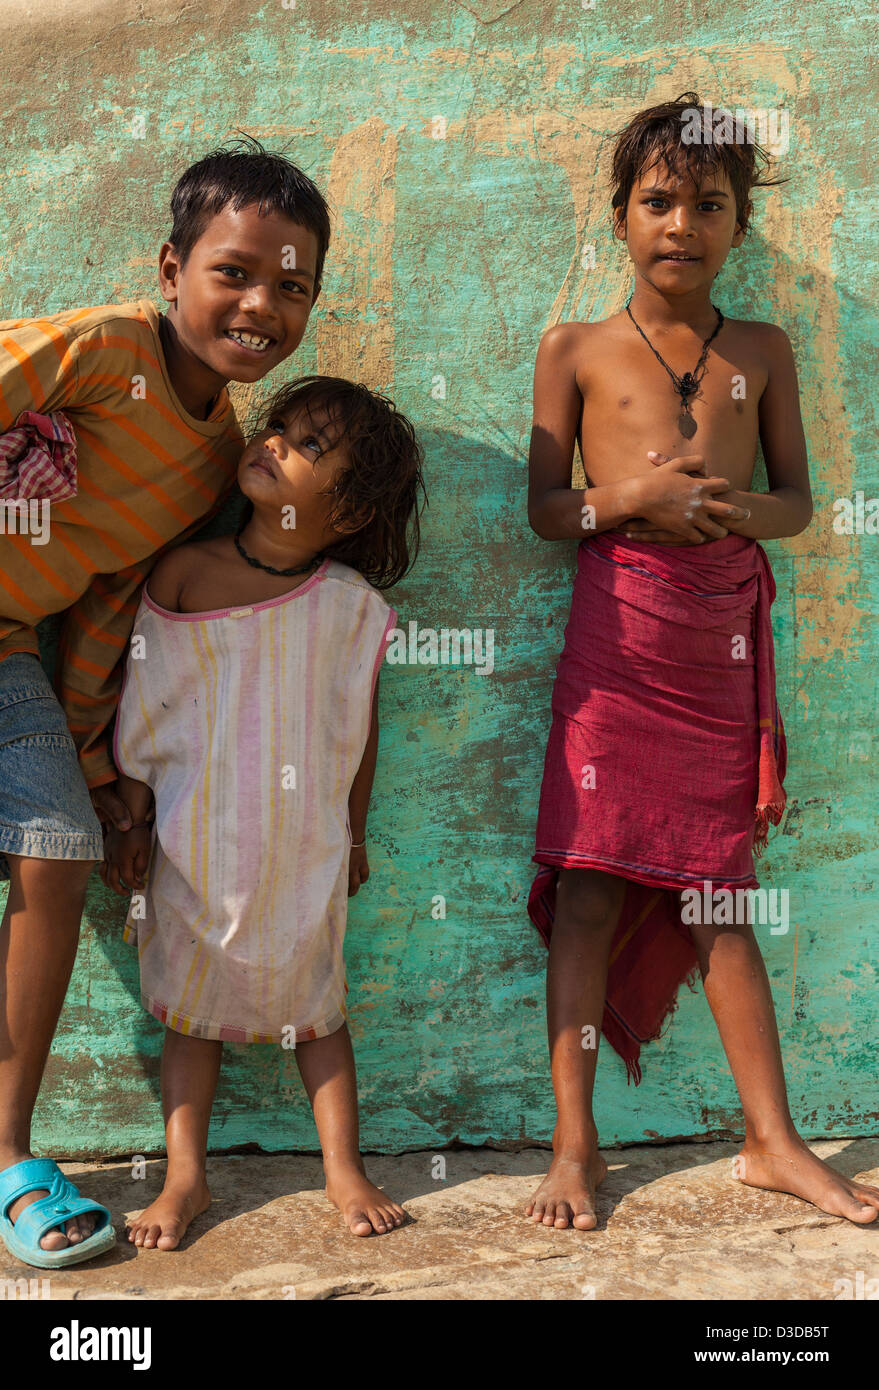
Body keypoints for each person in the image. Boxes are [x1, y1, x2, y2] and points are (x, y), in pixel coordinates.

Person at [524, 92, 879, 1231]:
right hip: (615, 649)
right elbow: (543, 510)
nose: (681, 224)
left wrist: (730, 514)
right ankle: (574, 1143)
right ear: (622, 215)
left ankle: (772, 1140)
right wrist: (627, 499)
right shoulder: (572, 348)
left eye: (708, 205)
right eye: (658, 201)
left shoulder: (762, 350)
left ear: (740, 225)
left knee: (719, 892)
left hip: (717, 647)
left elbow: (799, 502)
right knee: (586, 887)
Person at [0, 136, 332, 1267]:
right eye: (233, 271)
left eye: (292, 287)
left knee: (56, 848)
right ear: (169, 268)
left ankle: (7, 1156)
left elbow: (102, 612)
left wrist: (102, 770)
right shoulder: (100, 352)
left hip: (6, 654)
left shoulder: (216, 466)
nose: (260, 303)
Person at [102, 375, 425, 1247]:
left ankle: (343, 1169)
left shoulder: (351, 609)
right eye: (277, 425)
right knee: (188, 1012)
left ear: (351, 511)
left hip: (299, 848)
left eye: (308, 445)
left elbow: (358, 726)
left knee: (318, 1010)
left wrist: (353, 831)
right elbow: (149, 699)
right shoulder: (184, 572)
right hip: (195, 839)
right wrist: (129, 816)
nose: (274, 442)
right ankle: (185, 1177)